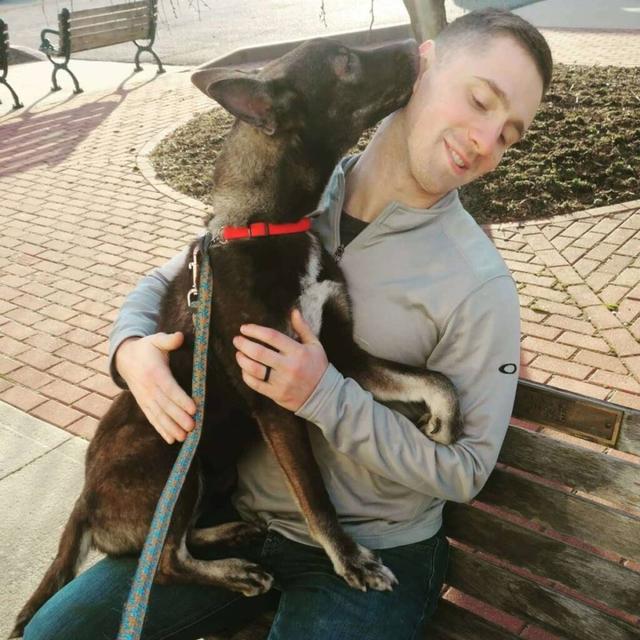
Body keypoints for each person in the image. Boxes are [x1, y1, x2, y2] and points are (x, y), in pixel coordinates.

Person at [24, 8, 552, 640]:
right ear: (426, 62)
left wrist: (325, 396)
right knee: (53, 633)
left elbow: (466, 469)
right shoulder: (296, 191)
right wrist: (131, 350)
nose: (486, 139)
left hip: (374, 548)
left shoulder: (477, 283)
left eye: (511, 133)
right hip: (243, 519)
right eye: (480, 100)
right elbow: (173, 276)